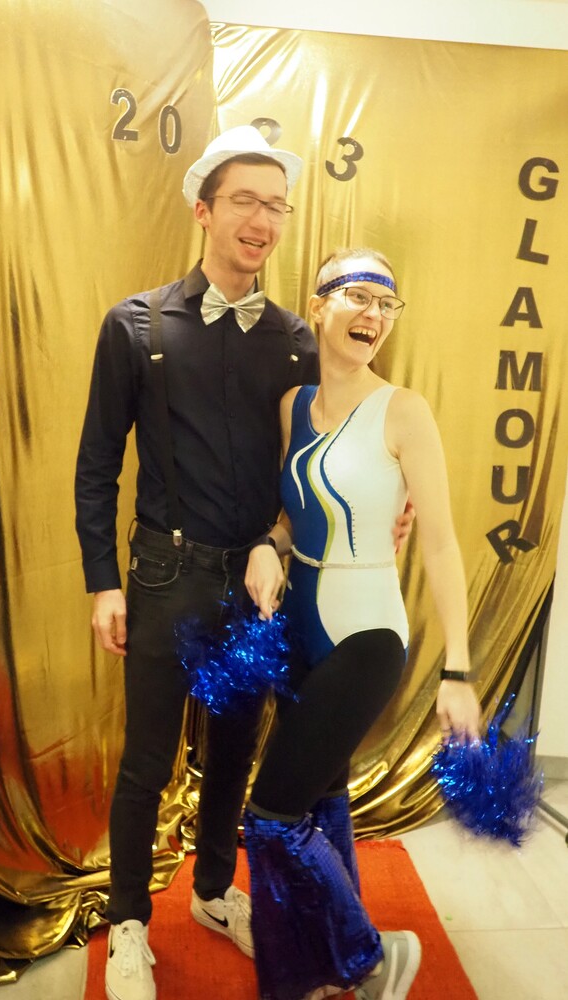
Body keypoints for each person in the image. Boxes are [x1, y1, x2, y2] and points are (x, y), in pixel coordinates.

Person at [75, 125, 321, 1000]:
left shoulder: (296, 339)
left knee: (232, 752)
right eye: (245, 201)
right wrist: (102, 582)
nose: (262, 220)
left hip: (255, 585)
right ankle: (129, 924)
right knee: (146, 761)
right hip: (161, 574)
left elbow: (310, 466)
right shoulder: (135, 324)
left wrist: (295, 538)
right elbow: (97, 464)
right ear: (203, 210)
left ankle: (215, 893)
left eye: (276, 205)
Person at [242, 247, 482, 1000]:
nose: (374, 315)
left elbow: (440, 543)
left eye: (386, 304)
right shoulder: (294, 404)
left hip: (367, 634)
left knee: (271, 815)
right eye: (358, 297)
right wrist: (268, 544)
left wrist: (458, 669)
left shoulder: (403, 410)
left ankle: (368, 957)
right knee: (321, 796)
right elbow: (295, 513)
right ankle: (312, 972)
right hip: (298, 624)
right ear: (318, 307)